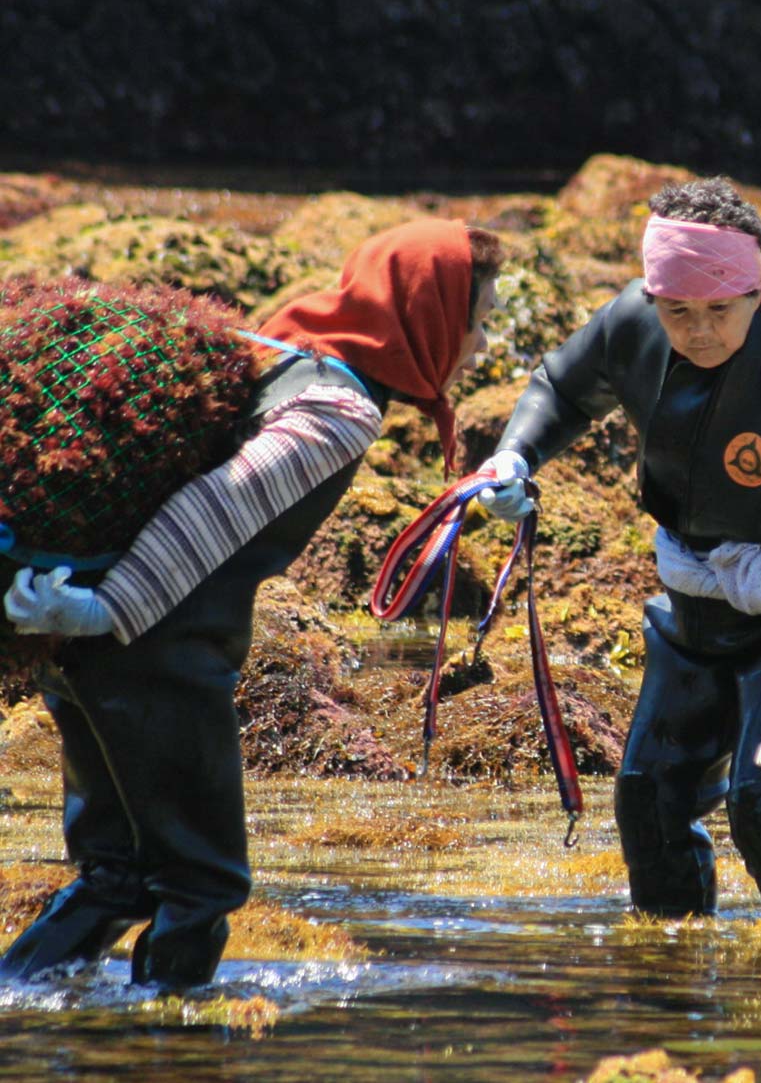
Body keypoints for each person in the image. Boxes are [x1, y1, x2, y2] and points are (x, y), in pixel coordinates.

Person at [1, 218, 503, 987]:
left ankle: (30, 1007)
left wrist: (90, 615)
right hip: (156, 657)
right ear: (431, 314)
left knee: (116, 876)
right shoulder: (338, 408)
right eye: (480, 320)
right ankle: (170, 1041)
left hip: (74, 634)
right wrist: (111, 610)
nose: (482, 346)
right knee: (200, 887)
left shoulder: (283, 352)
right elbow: (212, 511)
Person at [478, 178, 761, 916]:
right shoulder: (631, 326)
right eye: (677, 310)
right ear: (653, 297)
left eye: (719, 310)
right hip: (692, 608)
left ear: (758, 293)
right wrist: (514, 455)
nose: (698, 330)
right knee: (647, 797)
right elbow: (560, 388)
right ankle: (669, 969)